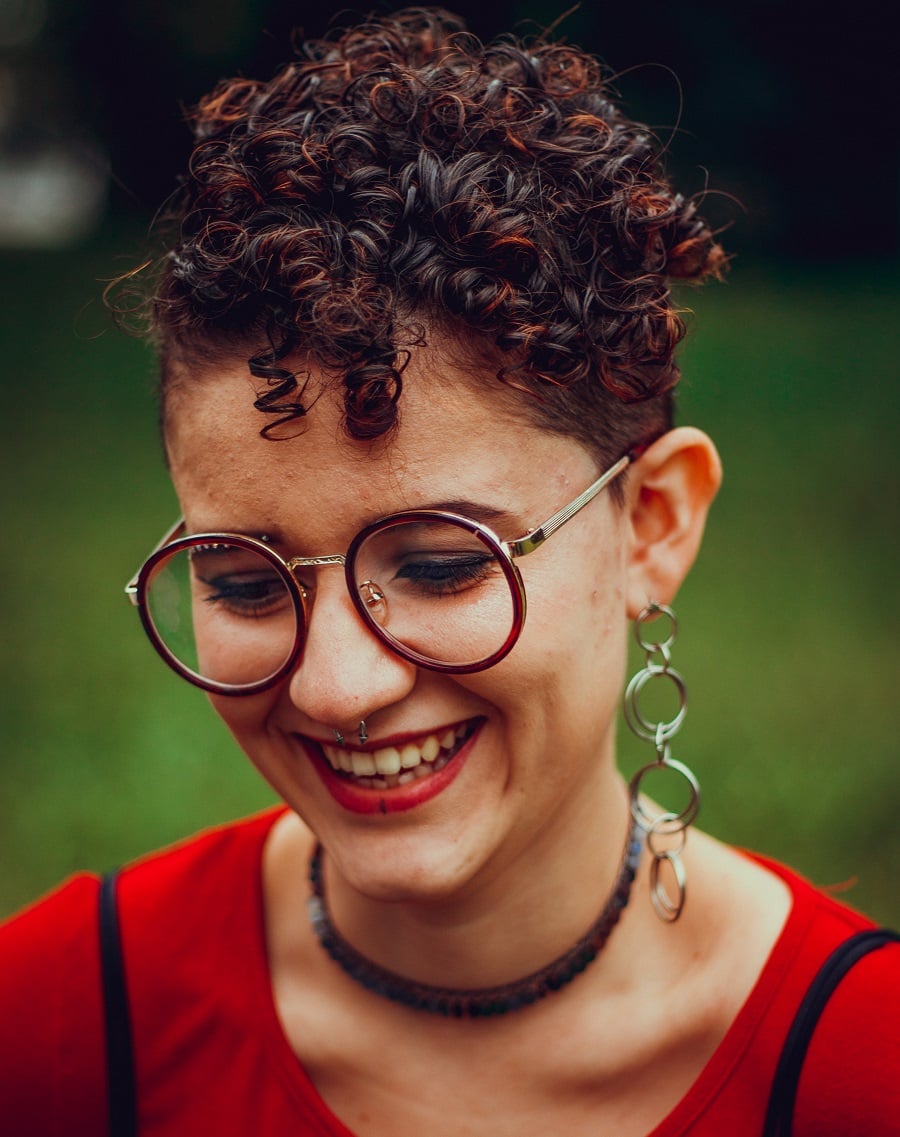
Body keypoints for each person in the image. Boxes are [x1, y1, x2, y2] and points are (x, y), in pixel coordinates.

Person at [1, 8, 897, 1135]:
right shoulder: (61, 1031)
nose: (334, 688)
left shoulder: (860, 1073)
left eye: (437, 565)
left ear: (654, 526)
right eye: (241, 582)